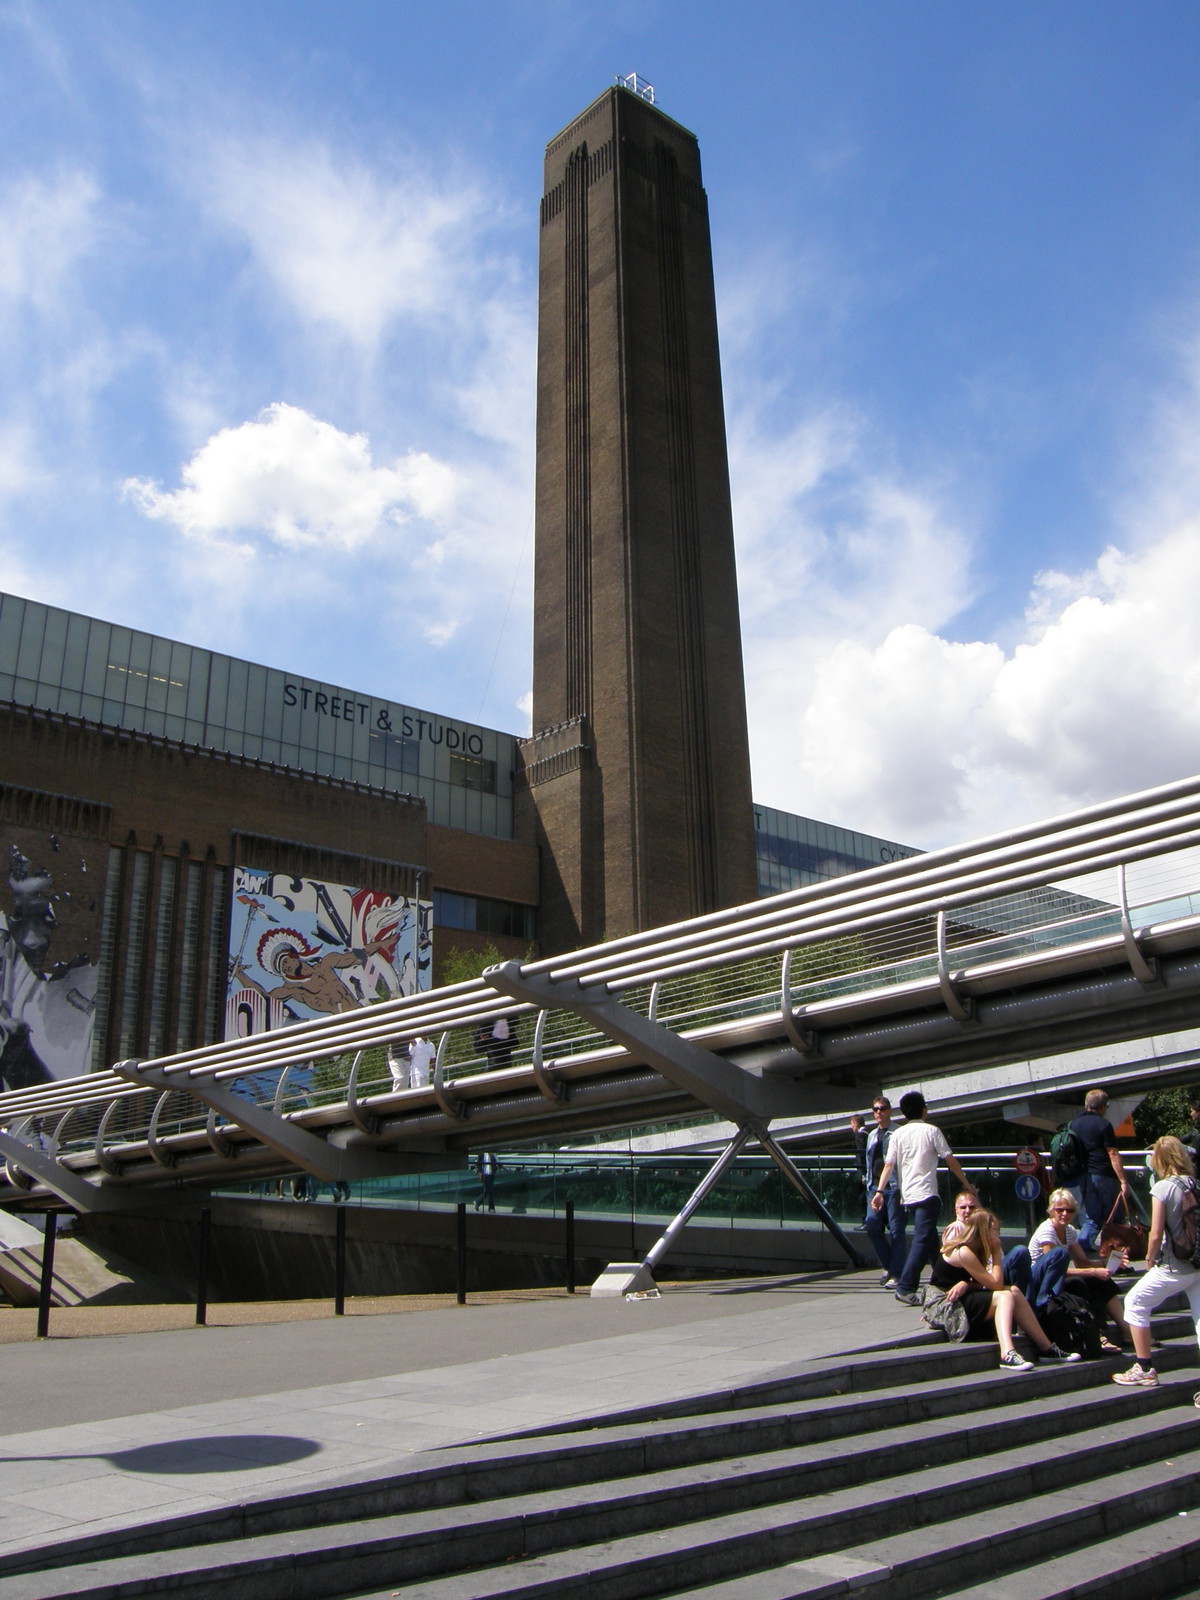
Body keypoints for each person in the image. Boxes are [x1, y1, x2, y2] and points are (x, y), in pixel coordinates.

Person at [931, 1203, 1082, 1372]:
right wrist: (996, 1251)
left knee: (1014, 1291)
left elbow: (984, 1281)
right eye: (995, 1230)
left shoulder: (975, 1249)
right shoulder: (963, 1251)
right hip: (949, 1306)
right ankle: (1007, 1354)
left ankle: (1046, 1348)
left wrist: (966, 1284)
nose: (998, 1235)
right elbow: (995, 1283)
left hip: (962, 1298)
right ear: (983, 1231)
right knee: (1005, 1295)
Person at [871, 1090, 976, 1305]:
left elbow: (889, 1165)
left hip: (908, 1195)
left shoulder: (897, 1134)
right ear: (923, 1110)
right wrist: (966, 1184)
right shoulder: (932, 1131)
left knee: (928, 1240)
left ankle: (941, 1280)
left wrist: (879, 1192)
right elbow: (950, 1160)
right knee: (921, 1238)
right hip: (927, 1193)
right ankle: (906, 1286)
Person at [1113, 1136, 1200, 1389]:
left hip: (1174, 1265)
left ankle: (1144, 1368)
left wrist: (1150, 1261)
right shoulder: (1196, 1184)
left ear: (1160, 1159)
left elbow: (1156, 1232)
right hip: (1197, 1264)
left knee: (1134, 1302)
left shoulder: (1163, 1187)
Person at [1029, 1188, 1131, 1350]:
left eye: (1069, 1210)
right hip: (1042, 1283)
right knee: (1080, 1283)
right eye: (1059, 1210)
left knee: (1101, 1282)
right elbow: (1054, 1272)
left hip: (1058, 1279)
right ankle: (1097, 1333)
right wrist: (1093, 1272)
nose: (1064, 1214)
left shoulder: (1069, 1231)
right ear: (1051, 1210)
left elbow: (1082, 1262)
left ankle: (1126, 1329)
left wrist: (1107, 1263)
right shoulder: (1046, 1231)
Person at [1069, 1088, 1132, 1251]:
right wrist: (1123, 1181)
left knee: (1092, 1218)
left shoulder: (1074, 1124)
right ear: (1102, 1106)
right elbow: (1112, 1153)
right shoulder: (1103, 1124)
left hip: (1084, 1176)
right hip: (1104, 1175)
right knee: (1115, 1218)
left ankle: (1081, 1251)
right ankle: (1117, 1260)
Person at [862, 1097, 906, 1288]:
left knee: (896, 1231)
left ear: (890, 1111)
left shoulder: (897, 1132)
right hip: (874, 1188)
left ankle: (896, 1273)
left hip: (894, 1187)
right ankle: (889, 1266)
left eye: (882, 1109)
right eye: (875, 1109)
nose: (878, 1112)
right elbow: (869, 1160)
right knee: (872, 1226)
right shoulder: (872, 1135)